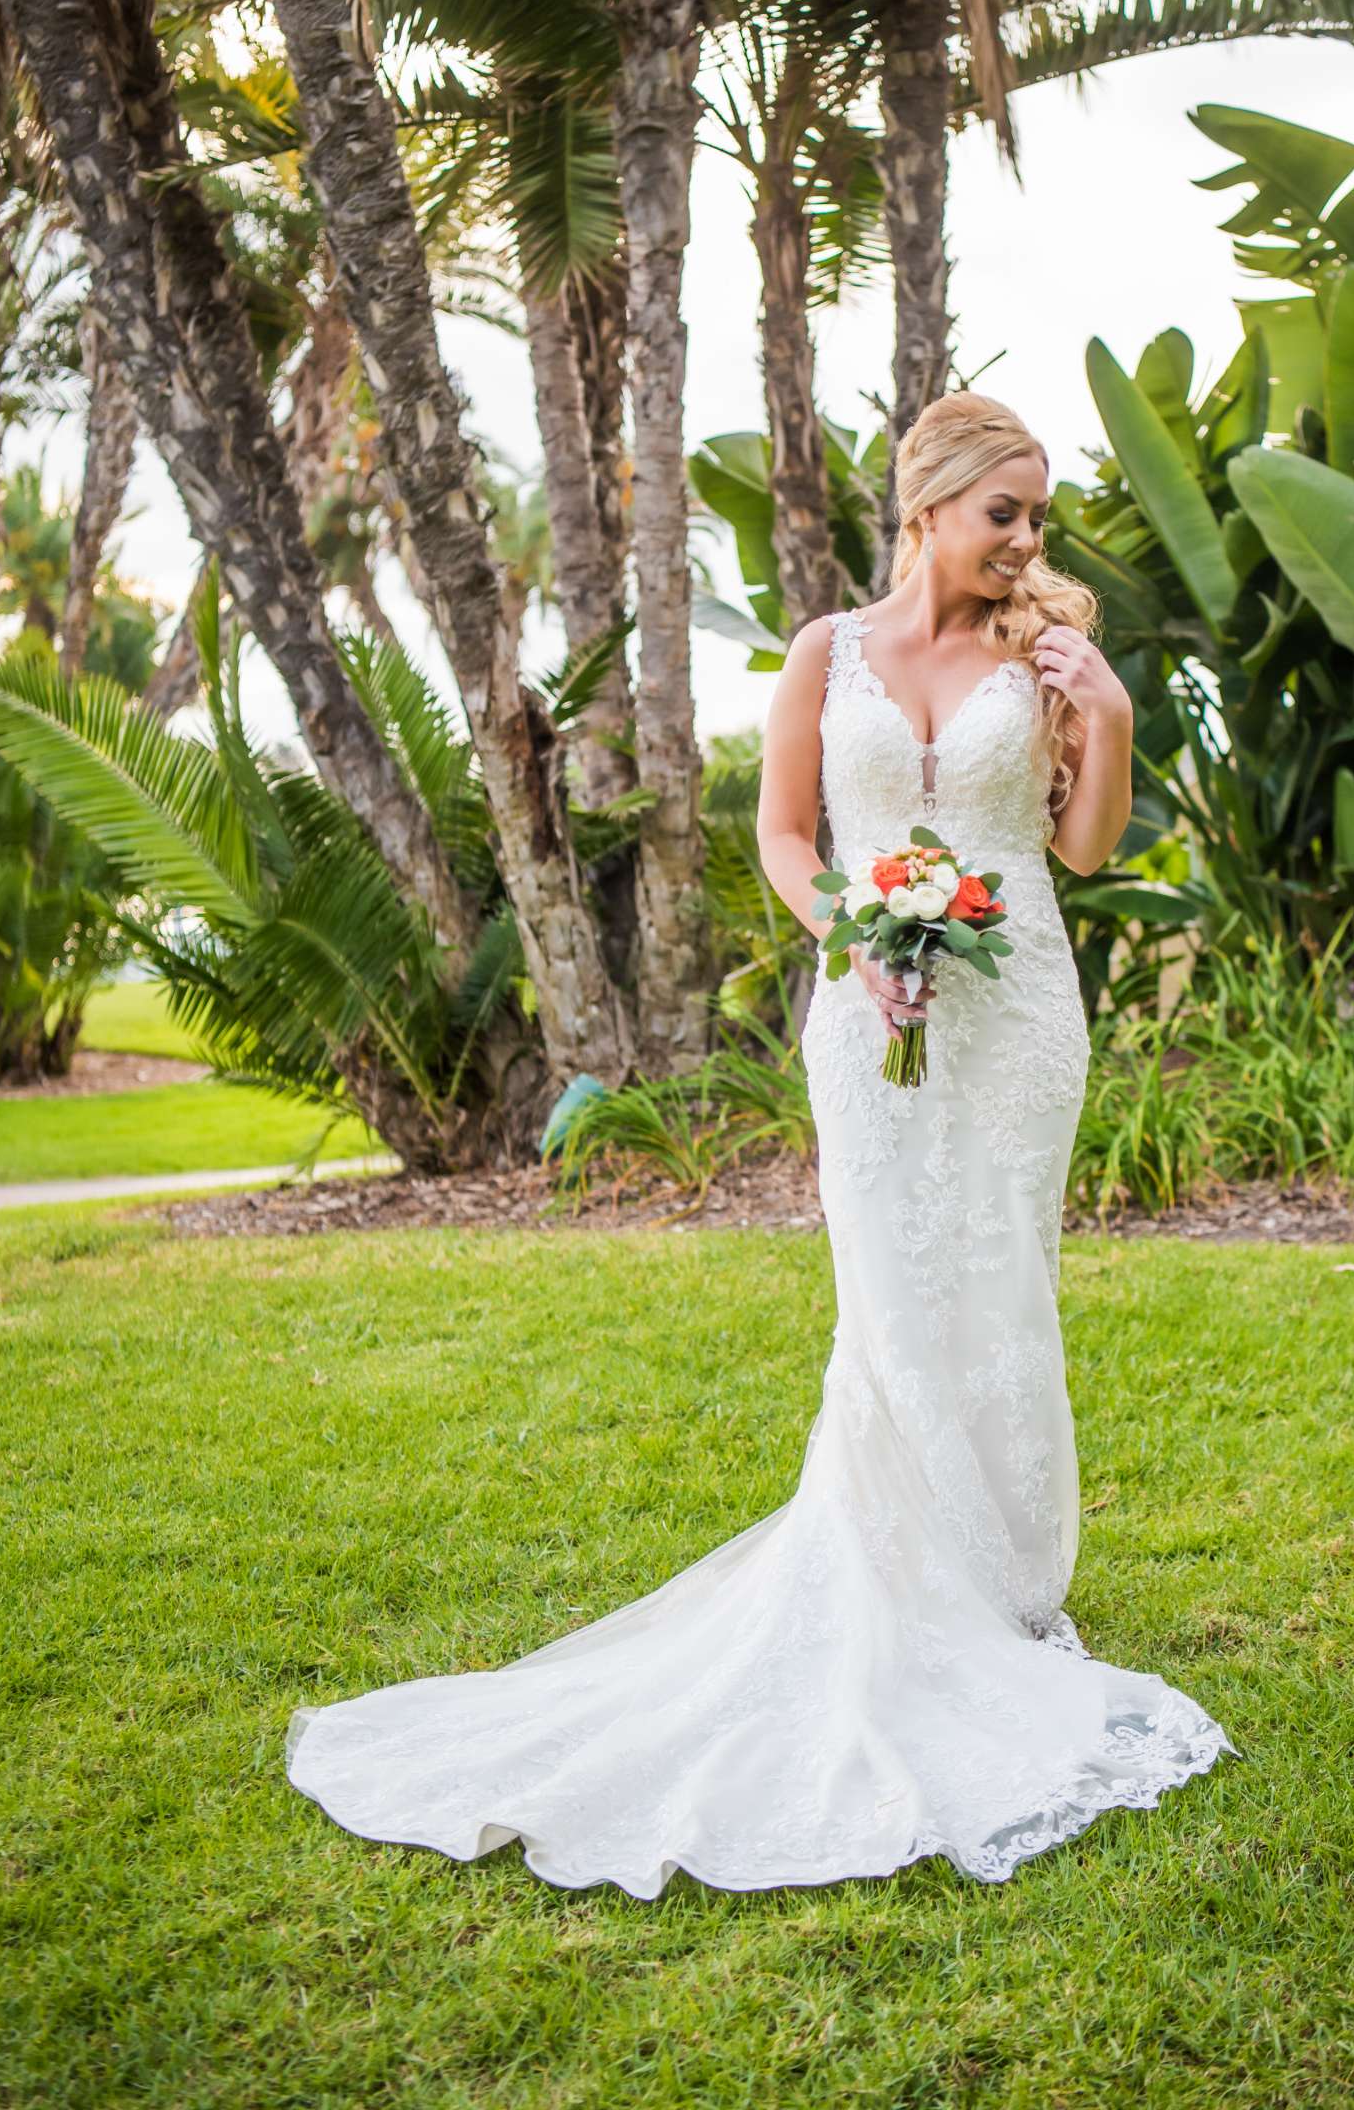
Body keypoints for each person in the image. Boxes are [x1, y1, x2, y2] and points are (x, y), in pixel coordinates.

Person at [285, 390, 1237, 1894]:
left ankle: (1003, 1588)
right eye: (1007, 512)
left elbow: (1083, 848)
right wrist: (856, 936)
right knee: (889, 1291)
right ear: (927, 507)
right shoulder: (825, 655)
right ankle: (894, 1574)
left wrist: (1103, 712)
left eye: (1039, 518)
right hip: (866, 1014)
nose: (1027, 541)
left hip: (1017, 1020)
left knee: (1000, 1282)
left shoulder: (1044, 654)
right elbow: (786, 837)